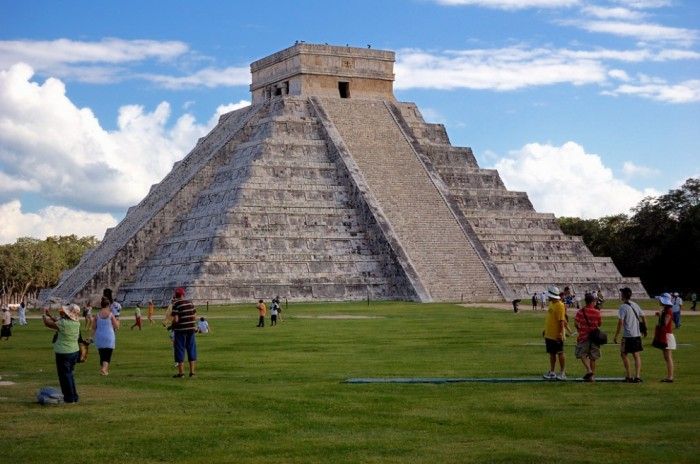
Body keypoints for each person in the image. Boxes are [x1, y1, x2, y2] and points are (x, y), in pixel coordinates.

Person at [42, 303, 81, 403]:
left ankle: (69, 398)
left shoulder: (63, 323)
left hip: (63, 352)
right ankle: (74, 396)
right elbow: (58, 321)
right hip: (74, 351)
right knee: (70, 375)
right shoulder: (76, 323)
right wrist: (50, 315)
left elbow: (47, 324)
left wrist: (44, 315)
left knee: (64, 376)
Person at [613, 287, 647, 383]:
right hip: (636, 334)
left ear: (623, 295)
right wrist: (644, 328)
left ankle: (628, 375)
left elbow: (620, 322)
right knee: (636, 355)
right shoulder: (635, 304)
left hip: (627, 335)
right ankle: (637, 376)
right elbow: (643, 316)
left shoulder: (623, 307)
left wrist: (616, 336)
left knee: (623, 354)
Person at [574, 293, 603, 382]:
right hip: (594, 337)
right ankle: (592, 377)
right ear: (592, 302)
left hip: (583, 336)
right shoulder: (597, 312)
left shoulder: (580, 312)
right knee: (593, 357)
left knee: (581, 354)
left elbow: (576, 322)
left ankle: (589, 370)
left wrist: (579, 328)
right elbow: (599, 324)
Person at [171, 287, 197, 378]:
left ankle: (181, 373)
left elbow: (176, 319)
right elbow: (194, 316)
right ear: (183, 294)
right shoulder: (190, 302)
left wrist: (172, 325)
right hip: (191, 329)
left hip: (180, 330)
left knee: (180, 349)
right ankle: (192, 372)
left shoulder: (176, 304)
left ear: (176, 295)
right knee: (191, 349)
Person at [542, 286, 567, 380]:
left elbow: (561, 321)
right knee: (552, 353)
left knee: (560, 353)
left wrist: (560, 333)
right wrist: (546, 329)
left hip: (557, 335)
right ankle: (552, 372)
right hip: (549, 334)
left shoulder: (560, 305)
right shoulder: (551, 303)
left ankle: (562, 372)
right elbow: (550, 318)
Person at [93, 296, 119, 376]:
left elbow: (94, 327)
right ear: (108, 305)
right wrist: (118, 321)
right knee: (107, 354)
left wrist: (92, 337)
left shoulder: (97, 315)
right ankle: (104, 369)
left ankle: (105, 370)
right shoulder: (110, 315)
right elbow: (116, 326)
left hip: (99, 336)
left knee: (102, 354)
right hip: (109, 336)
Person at [654, 293, 676, 383]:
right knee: (667, 357)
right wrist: (660, 314)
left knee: (668, 357)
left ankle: (670, 377)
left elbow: (665, 323)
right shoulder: (666, 310)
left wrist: (661, 316)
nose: (659, 301)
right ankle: (669, 376)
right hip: (666, 335)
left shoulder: (668, 310)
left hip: (667, 336)